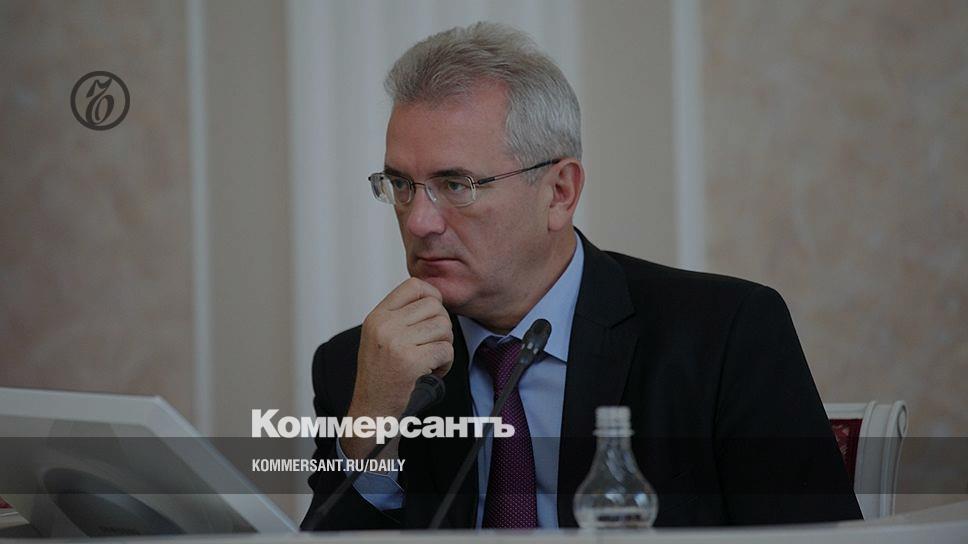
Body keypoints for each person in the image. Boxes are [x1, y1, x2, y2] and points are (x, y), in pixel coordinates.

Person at [301, 21, 861, 530]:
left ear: (559, 193)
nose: (419, 221)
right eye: (401, 185)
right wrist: (369, 428)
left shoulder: (721, 337)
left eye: (456, 185)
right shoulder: (360, 369)